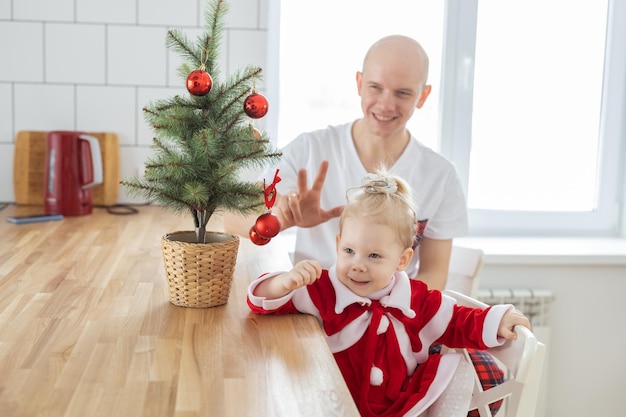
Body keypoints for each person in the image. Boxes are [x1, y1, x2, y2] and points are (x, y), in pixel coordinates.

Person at [247, 171, 531, 417]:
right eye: (349, 251)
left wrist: (497, 319)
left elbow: (457, 320)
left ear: (402, 260)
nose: (358, 265)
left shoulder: (415, 299)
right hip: (331, 405)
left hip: (399, 407)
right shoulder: (323, 288)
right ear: (338, 244)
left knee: (459, 370)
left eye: (374, 255)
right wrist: (284, 283)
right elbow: (262, 301)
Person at [224, 34, 466, 291]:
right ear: (359, 83)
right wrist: (283, 219)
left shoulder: (442, 176)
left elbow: (434, 274)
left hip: (387, 320)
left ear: (423, 96)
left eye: (403, 93)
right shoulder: (309, 149)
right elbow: (233, 222)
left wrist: (386, 312)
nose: (386, 104)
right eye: (375, 87)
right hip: (312, 314)